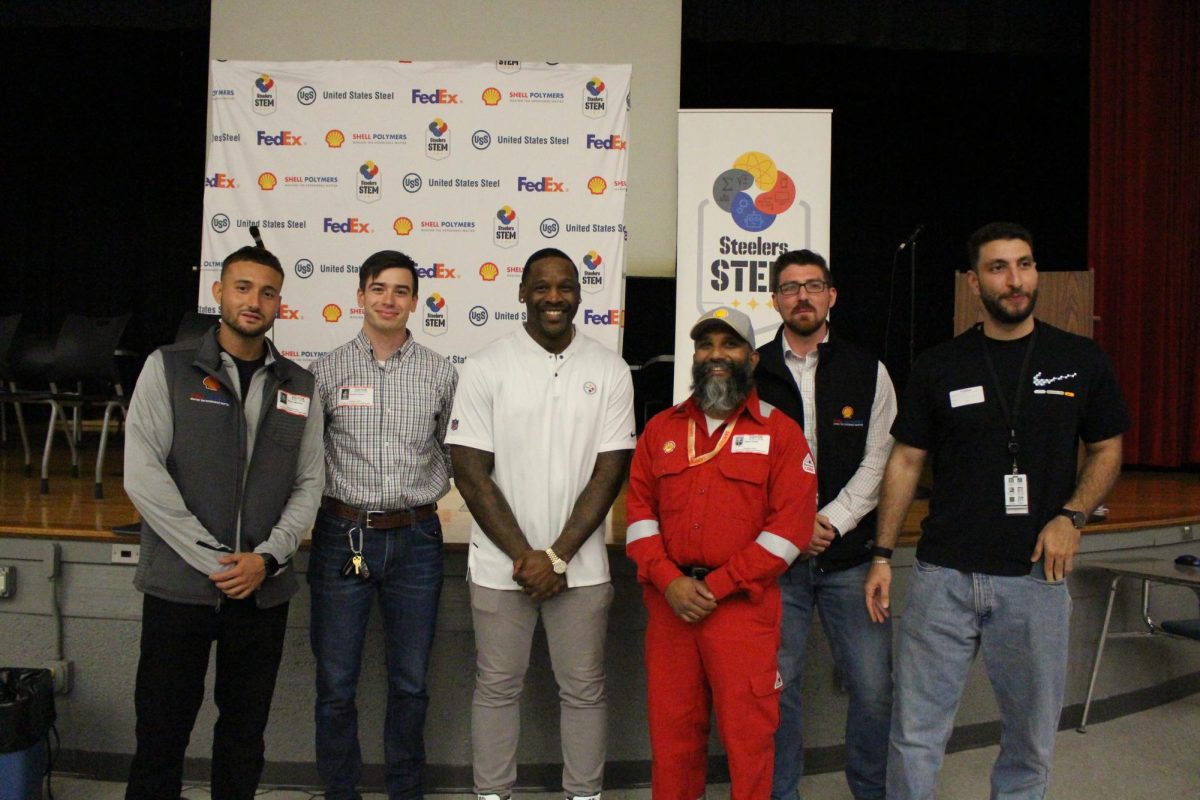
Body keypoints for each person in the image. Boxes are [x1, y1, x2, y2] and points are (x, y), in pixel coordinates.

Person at [864, 222, 1130, 799]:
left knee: (1030, 740)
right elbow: (906, 460)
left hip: (1036, 577)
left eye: (1025, 264)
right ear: (974, 280)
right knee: (915, 734)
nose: (1015, 280)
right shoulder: (940, 365)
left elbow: (1108, 448)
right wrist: (882, 554)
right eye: (998, 267)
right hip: (943, 576)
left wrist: (1073, 515)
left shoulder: (1079, 358)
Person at [124, 245, 324, 800]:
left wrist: (267, 559)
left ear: (280, 302)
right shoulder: (167, 367)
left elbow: (310, 484)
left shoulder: (299, 385)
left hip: (261, 593)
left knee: (243, 738)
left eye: (266, 292)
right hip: (180, 589)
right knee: (161, 735)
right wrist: (215, 561)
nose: (253, 302)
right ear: (219, 293)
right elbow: (142, 477)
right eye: (242, 287)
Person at [447, 248, 636, 800]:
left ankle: (584, 795)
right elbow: (469, 470)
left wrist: (556, 556)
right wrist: (527, 557)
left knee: (583, 692)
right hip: (499, 566)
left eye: (566, 287)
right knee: (497, 689)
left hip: (581, 569)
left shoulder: (609, 368)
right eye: (542, 287)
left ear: (579, 294)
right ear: (523, 292)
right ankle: (491, 796)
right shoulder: (486, 366)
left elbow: (610, 470)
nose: (554, 297)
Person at [626, 306, 816, 800]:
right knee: (673, 743)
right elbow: (639, 516)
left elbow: (789, 532)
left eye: (729, 345)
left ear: (751, 358)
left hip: (742, 613)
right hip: (671, 610)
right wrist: (669, 581)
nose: (716, 355)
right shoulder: (661, 430)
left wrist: (716, 586)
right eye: (706, 345)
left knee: (750, 743)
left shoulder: (781, 433)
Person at [308, 250, 458, 800]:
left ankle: (405, 791)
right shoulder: (325, 371)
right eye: (378, 288)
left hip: (416, 539)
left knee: (411, 685)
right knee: (335, 686)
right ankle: (340, 792)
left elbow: (453, 451)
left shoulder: (442, 372)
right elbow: (308, 457)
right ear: (360, 297)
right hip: (341, 535)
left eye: (400, 290)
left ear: (415, 302)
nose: (388, 299)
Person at [754, 250, 896, 800]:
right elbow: (741, 468)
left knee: (873, 688)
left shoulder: (868, 370)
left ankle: (870, 789)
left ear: (832, 296)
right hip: (775, 561)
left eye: (813, 286)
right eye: (790, 288)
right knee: (777, 690)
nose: (803, 297)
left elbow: (880, 458)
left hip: (852, 562)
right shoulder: (751, 372)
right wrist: (792, 528)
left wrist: (830, 522)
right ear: (775, 300)